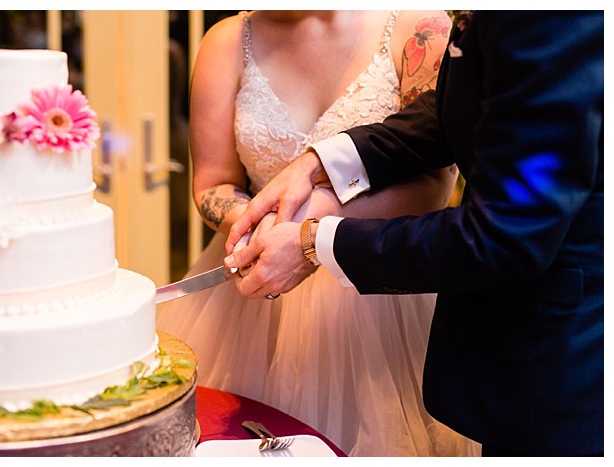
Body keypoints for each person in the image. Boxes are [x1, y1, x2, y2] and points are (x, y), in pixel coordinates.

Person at [225, 11, 604, 456]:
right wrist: (319, 162)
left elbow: (504, 235)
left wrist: (316, 242)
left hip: (565, 362)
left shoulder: (549, 18)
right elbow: (467, 102)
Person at [157, 10, 481, 456]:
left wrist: (309, 227)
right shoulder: (227, 41)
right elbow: (213, 182)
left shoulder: (417, 29)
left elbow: (432, 183)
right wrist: (260, 226)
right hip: (249, 298)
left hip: (377, 286)